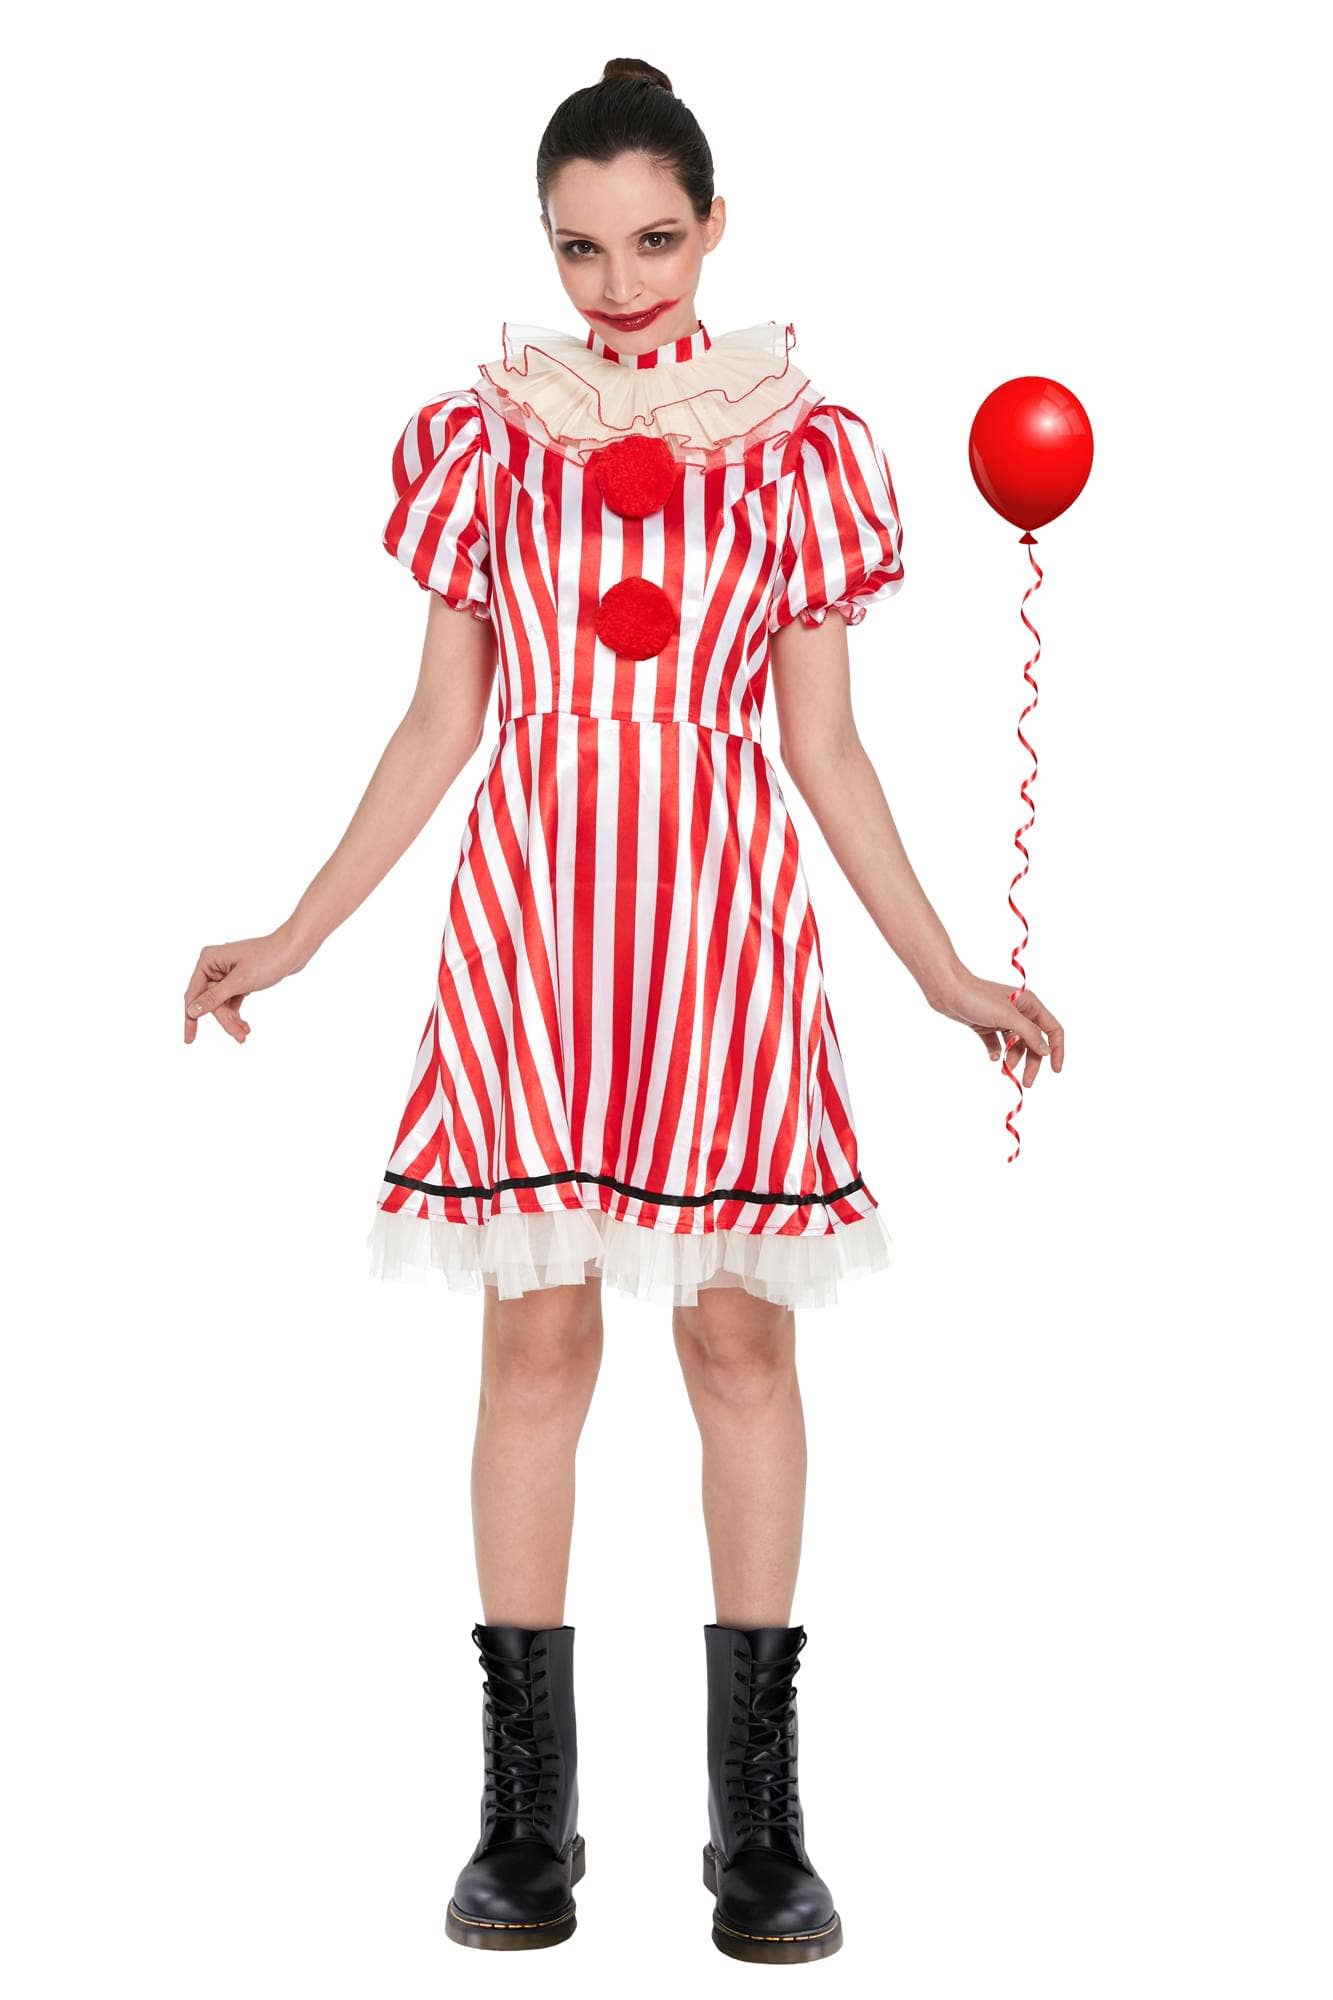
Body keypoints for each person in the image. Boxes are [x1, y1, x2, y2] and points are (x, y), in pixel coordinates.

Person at [183, 56, 1064, 1965]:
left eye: (654, 240)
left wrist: (939, 976)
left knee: (739, 1345)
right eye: (579, 249)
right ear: (547, 246)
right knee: (534, 1346)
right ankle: (526, 1820)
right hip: (533, 929)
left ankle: (760, 1826)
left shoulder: (803, 451)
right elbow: (441, 723)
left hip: (721, 934)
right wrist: (299, 931)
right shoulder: (484, 440)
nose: (620, 284)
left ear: (715, 227)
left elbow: (824, 749)